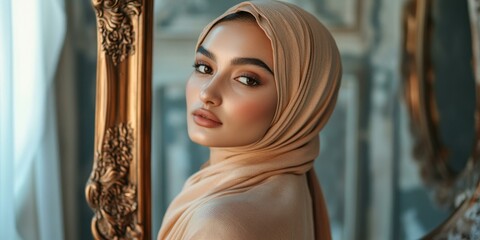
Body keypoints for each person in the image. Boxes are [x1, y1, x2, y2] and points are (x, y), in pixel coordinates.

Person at [157, 0, 342, 239]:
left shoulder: (218, 225)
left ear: (298, 103)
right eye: (204, 68)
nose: (207, 94)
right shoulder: (293, 185)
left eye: (246, 80)